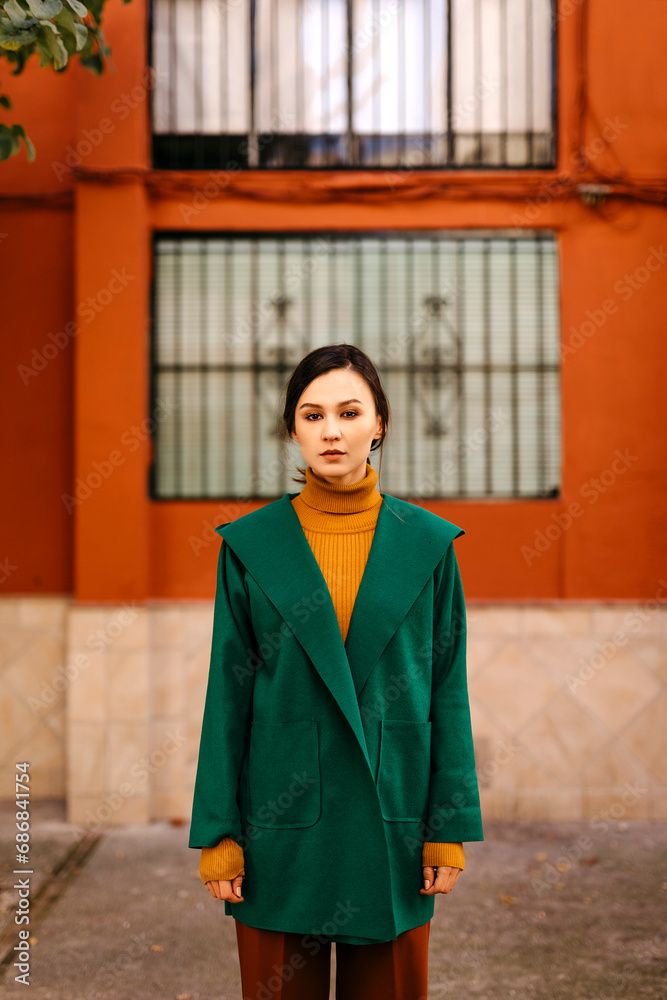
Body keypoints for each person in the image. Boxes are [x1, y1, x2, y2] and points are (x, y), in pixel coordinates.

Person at [189, 343, 484, 999]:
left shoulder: (427, 544)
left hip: (393, 816)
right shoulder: (251, 545)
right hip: (279, 819)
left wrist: (448, 830)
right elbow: (226, 693)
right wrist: (218, 829)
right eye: (311, 414)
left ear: (379, 423)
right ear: (291, 429)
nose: (330, 431)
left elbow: (448, 689)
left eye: (348, 412)